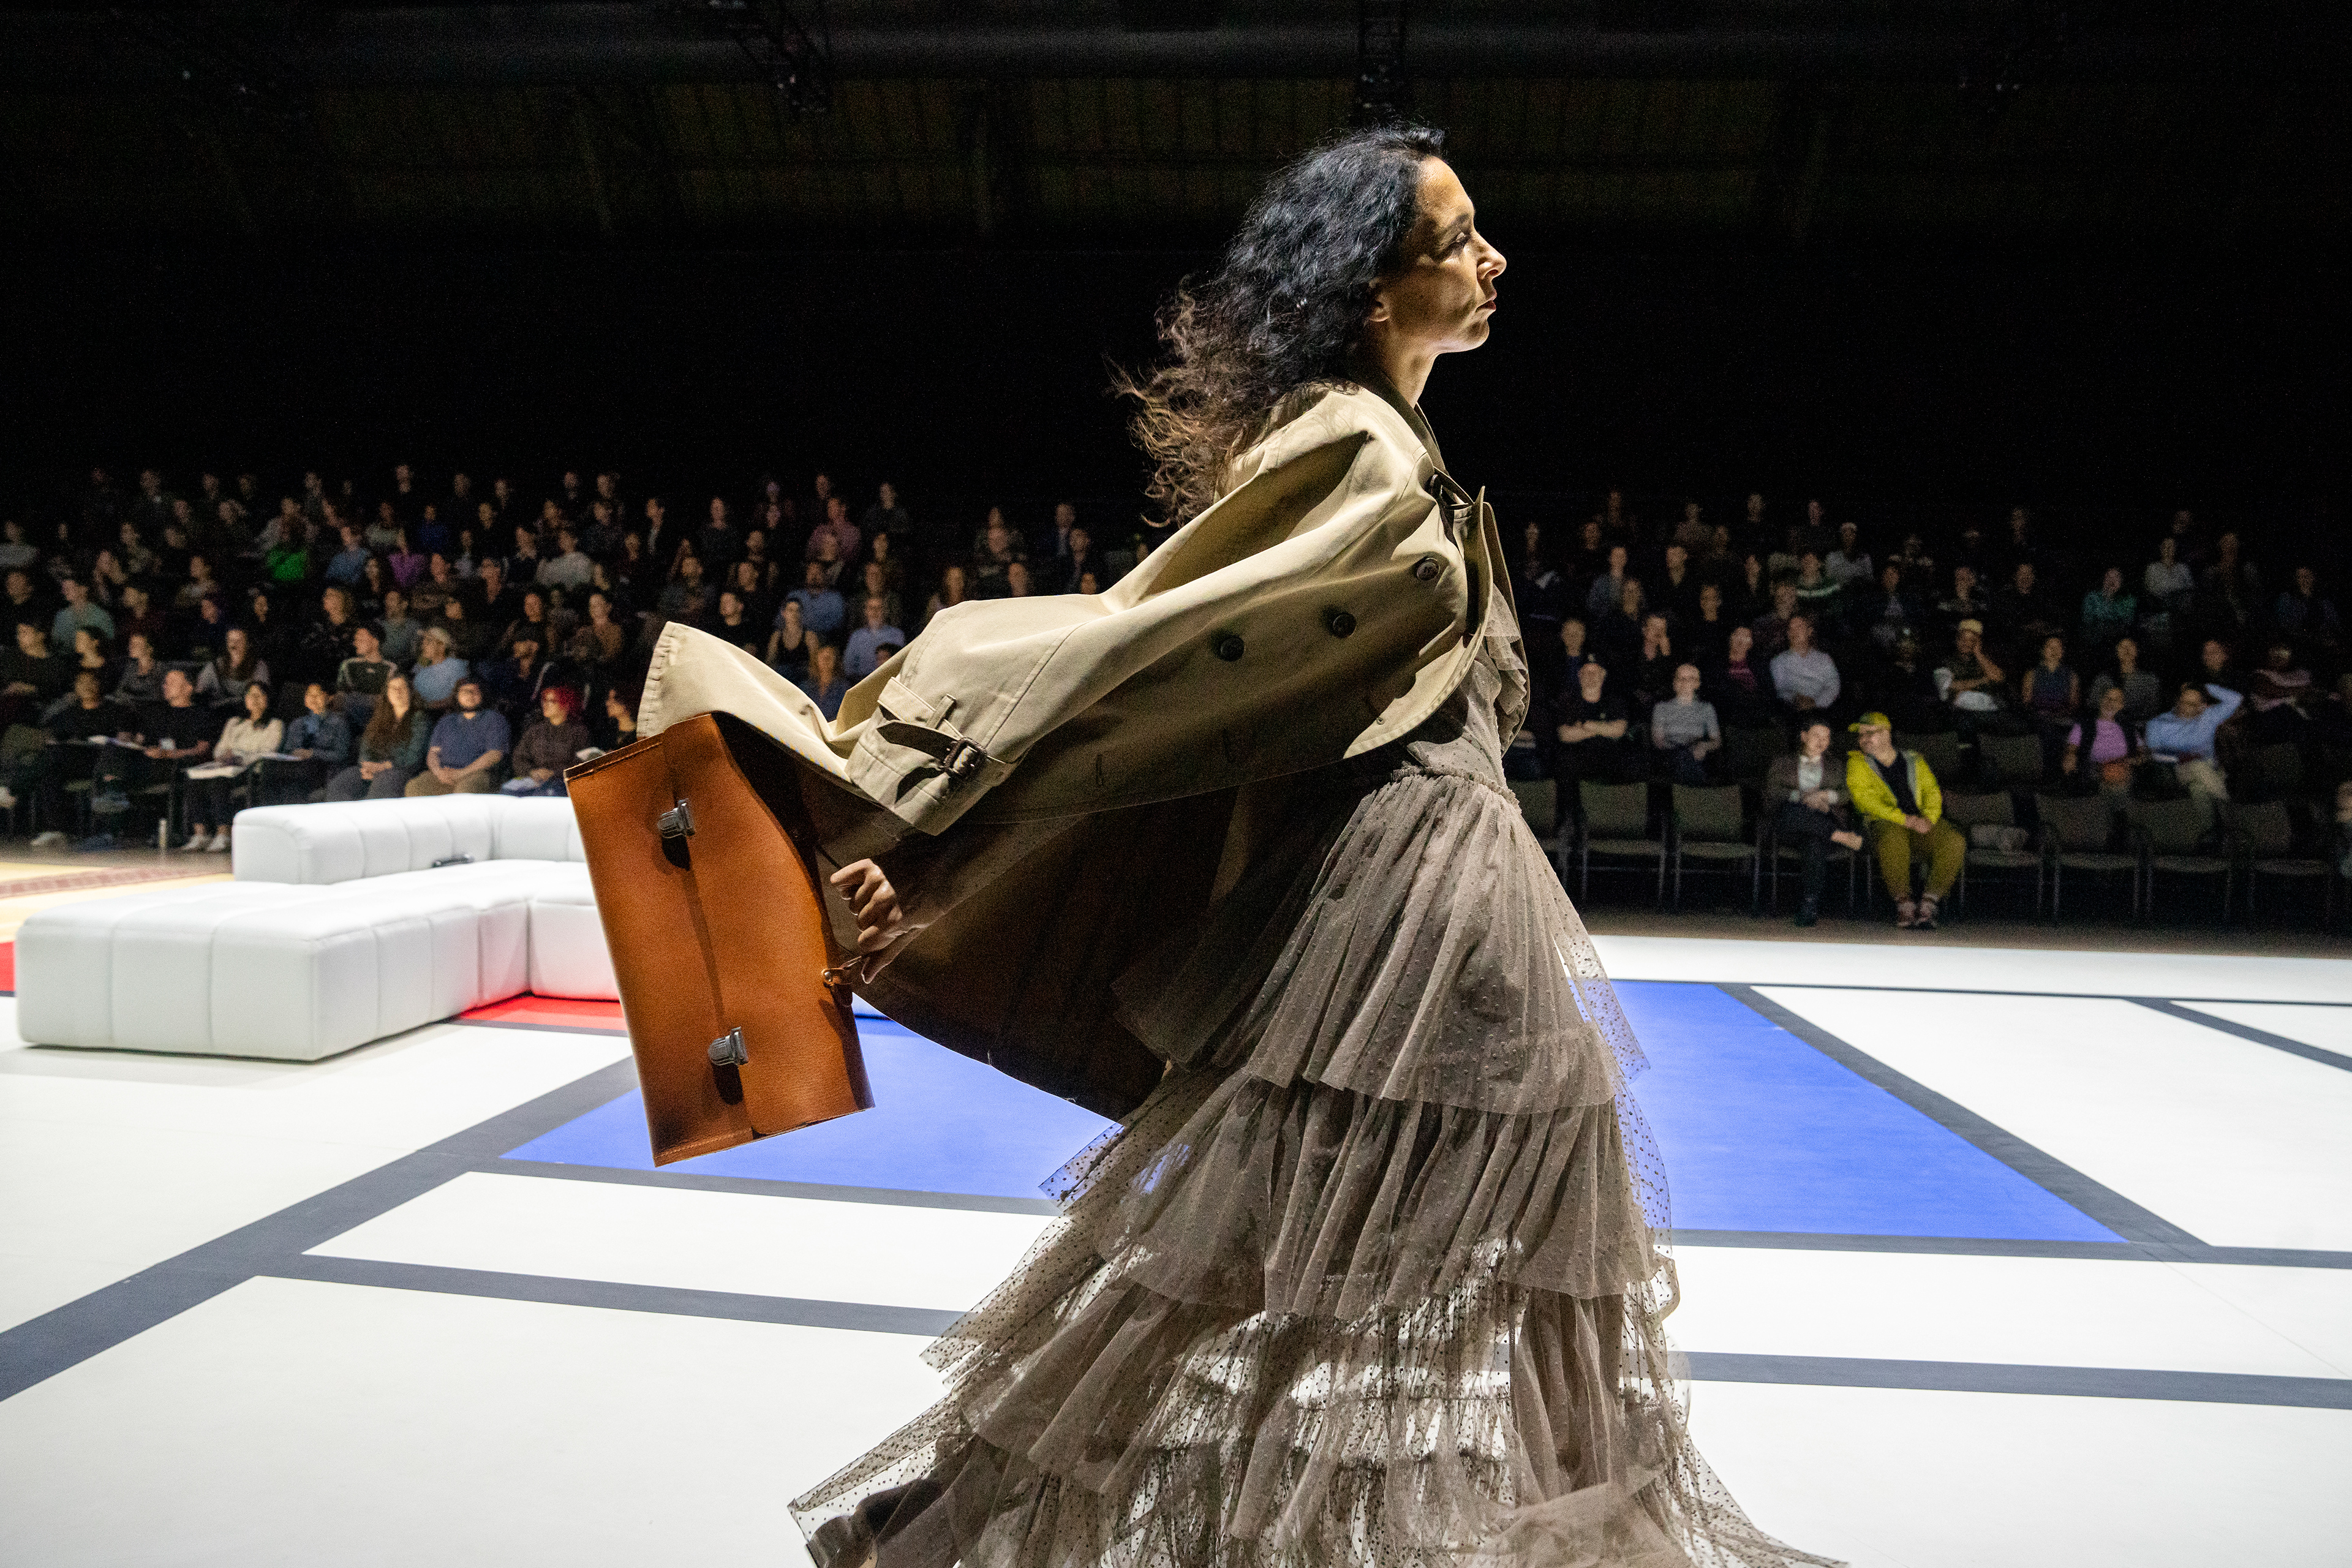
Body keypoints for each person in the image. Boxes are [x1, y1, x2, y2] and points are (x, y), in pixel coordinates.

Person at [641, 127, 1830, 1567]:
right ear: (1370, 287)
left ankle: (948, 1523)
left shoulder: (1388, 443)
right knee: (1312, 1228)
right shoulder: (1352, 442)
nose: (1492, 258)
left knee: (1419, 1216)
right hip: (1416, 896)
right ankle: (947, 1524)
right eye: (1456, 239)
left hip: (1429, 883)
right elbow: (1144, 652)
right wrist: (922, 813)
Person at [1846, 709, 1965, 929]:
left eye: (1870, 733)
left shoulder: (1913, 759)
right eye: (1861, 735)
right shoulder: (1857, 763)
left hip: (1919, 823)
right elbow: (1866, 801)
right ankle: (1904, 903)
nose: (1864, 739)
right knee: (1893, 838)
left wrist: (1929, 819)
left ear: (1886, 734)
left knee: (1954, 841)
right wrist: (1905, 820)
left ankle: (1929, 903)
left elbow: (1932, 791)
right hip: (1885, 823)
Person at [1766, 716, 1866, 927]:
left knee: (1814, 843)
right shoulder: (1783, 762)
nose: (1822, 741)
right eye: (1816, 736)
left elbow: (1848, 794)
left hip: (1822, 818)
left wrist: (1825, 797)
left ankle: (1809, 904)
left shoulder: (1836, 765)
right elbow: (1772, 791)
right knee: (1795, 812)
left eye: (1826, 737)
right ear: (1803, 737)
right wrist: (1802, 797)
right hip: (1790, 823)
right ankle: (1838, 835)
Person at [179, 682, 283, 851]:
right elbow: (219, 749)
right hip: (226, 767)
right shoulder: (234, 723)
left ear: (267, 699)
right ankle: (200, 834)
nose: (254, 699)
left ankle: (224, 834)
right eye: (250, 695)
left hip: (250, 771)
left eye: (259, 695)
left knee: (219, 783)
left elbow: (268, 750)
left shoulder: (274, 724)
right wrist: (224, 755)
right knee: (194, 782)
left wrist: (239, 756)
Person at [2144, 677, 2243, 812]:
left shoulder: (2208, 717)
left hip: (2209, 767)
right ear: (2178, 700)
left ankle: (2217, 823)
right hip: (2178, 769)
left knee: (2198, 789)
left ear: (2202, 705)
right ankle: (2230, 805)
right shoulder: (2158, 723)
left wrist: (2205, 687)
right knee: (2198, 766)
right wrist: (2183, 757)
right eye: (2185, 702)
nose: (2188, 707)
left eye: (2194, 704)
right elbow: (2154, 754)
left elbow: (2236, 699)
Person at [327, 673, 429, 799]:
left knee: (383, 783)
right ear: (387, 693)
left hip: (400, 770)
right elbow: (366, 746)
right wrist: (367, 765)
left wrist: (383, 767)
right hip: (373, 768)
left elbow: (414, 756)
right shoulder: (380, 718)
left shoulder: (419, 719)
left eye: (402, 687)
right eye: (393, 688)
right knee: (343, 782)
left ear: (410, 691)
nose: (397, 692)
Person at [405, 676, 510, 796]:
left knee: (464, 792)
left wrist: (460, 774)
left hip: (477, 774)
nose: (470, 695)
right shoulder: (446, 721)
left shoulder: (494, 719)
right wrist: (439, 772)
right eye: (465, 691)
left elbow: (494, 755)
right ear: (457, 695)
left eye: (475, 691)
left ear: (482, 695)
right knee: (415, 787)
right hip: (445, 773)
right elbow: (433, 753)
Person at [1549, 655, 1633, 783]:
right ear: (1580, 675)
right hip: (1579, 760)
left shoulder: (1614, 701)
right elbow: (1565, 735)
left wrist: (1586, 725)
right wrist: (1604, 728)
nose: (1591, 676)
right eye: (1587, 671)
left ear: (1603, 675)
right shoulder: (1569, 701)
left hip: (1610, 760)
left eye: (1595, 672)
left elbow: (1619, 730)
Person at [503, 688, 592, 796]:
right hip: (533, 781)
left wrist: (554, 773)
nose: (546, 705)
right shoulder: (535, 731)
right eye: (544, 700)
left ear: (565, 705)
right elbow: (519, 757)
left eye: (552, 701)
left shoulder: (579, 732)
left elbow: (580, 762)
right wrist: (531, 772)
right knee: (508, 791)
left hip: (563, 784)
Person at [1649, 661, 1719, 784]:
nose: (1684, 682)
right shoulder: (1661, 708)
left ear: (1697, 684)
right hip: (1671, 755)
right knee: (1682, 759)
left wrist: (1704, 746)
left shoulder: (1706, 708)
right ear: (1674, 683)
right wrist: (1678, 748)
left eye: (1690, 679)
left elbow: (1716, 741)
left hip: (1697, 754)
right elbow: (1658, 741)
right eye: (1681, 678)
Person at [1768, 612, 1839, 714]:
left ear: (1809, 632)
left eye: (1799, 627)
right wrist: (1795, 700)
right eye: (1791, 629)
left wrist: (1816, 703)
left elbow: (1833, 686)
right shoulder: (1779, 661)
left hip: (1822, 711)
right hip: (1791, 712)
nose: (1795, 632)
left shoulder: (1824, 659)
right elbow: (1780, 689)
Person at [843, 594, 905, 682]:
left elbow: (900, 663)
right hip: (863, 681)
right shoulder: (857, 636)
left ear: (885, 611)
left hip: (888, 680)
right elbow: (848, 666)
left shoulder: (897, 635)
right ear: (866, 611)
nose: (875, 612)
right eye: (871, 608)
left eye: (879, 608)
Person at [795, 639, 850, 720]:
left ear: (836, 660)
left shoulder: (843, 688)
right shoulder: (805, 687)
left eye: (830, 656)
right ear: (816, 659)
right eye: (822, 656)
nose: (826, 660)